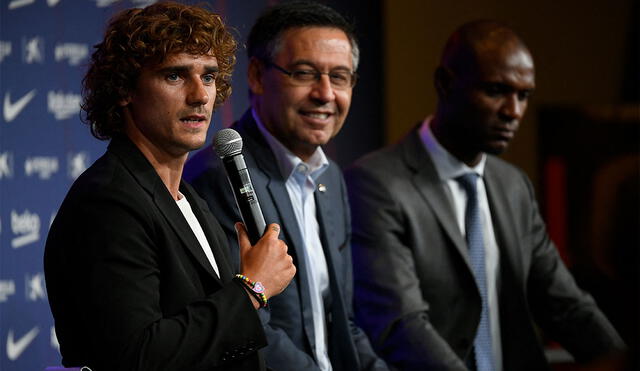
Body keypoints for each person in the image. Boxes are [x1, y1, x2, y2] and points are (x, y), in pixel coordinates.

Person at [344, 20, 626, 371]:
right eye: (496, 90)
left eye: (523, 95)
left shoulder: (513, 186)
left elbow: (565, 304)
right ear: (445, 83)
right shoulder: (376, 182)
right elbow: (401, 325)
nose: (513, 112)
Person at [44, 2, 295, 370]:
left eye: (208, 76)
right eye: (175, 76)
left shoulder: (187, 198)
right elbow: (139, 355)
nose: (200, 95)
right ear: (125, 89)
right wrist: (252, 289)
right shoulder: (107, 201)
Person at [185, 2, 389, 370]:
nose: (325, 94)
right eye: (305, 73)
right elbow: (251, 330)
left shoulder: (331, 178)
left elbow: (342, 323)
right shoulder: (221, 177)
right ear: (258, 76)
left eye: (340, 77)